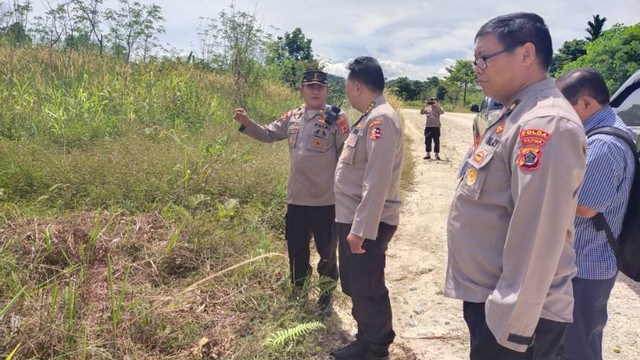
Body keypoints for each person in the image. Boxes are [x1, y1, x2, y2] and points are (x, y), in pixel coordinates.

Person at [444, 12, 587, 359]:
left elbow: (538, 235)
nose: (476, 67)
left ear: (526, 54)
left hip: (517, 314)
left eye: (483, 57)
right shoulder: (515, 114)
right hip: (495, 300)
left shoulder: (545, 123)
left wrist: (510, 323)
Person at [232, 70, 350, 313]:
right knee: (296, 251)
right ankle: (299, 291)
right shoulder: (293, 116)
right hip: (296, 200)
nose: (315, 91)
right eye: (310, 87)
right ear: (302, 91)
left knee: (327, 253)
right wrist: (247, 124)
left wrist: (346, 194)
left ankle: (326, 296)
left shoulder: (338, 119)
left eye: (320, 87)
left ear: (327, 91)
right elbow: (268, 133)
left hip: (326, 202)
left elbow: (347, 157)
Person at [555, 68, 635, 360]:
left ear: (587, 103)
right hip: (587, 261)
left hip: (587, 265)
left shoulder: (603, 145)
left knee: (578, 348)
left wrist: (538, 193)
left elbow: (585, 207)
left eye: (566, 108)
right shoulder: (602, 134)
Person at [329, 56, 403, 360]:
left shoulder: (381, 119)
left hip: (366, 222)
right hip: (352, 217)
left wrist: (361, 229)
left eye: (347, 86)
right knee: (356, 284)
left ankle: (376, 349)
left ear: (358, 86)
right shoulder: (369, 117)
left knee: (368, 286)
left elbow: (377, 178)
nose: (346, 92)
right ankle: (365, 338)